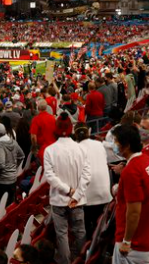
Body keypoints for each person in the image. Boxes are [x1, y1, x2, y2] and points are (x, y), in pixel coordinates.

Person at [43, 113, 92, 264]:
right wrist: (76, 194)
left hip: (59, 200)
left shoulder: (50, 150)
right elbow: (87, 175)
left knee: (62, 235)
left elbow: (50, 177)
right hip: (76, 200)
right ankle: (83, 260)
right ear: (71, 129)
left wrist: (68, 190)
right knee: (80, 232)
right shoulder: (81, 149)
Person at [111, 125, 149, 264]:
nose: (114, 144)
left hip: (135, 245)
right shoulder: (147, 160)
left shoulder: (131, 171)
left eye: (116, 141)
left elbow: (133, 212)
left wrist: (126, 241)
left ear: (126, 145)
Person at [75, 124, 112, 239]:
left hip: (89, 197)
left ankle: (87, 246)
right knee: (98, 222)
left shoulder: (75, 149)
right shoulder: (99, 144)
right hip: (105, 193)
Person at [0, 123, 25, 206]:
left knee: (1, 207)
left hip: (2, 181)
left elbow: (0, 164)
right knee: (10, 205)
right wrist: (14, 167)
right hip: (13, 178)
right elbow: (21, 156)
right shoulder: (13, 142)